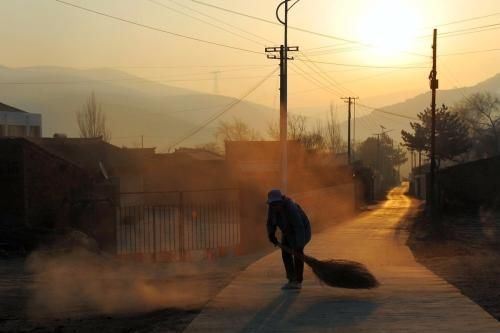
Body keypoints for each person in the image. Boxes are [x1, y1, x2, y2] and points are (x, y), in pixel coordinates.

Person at [266, 189, 311, 290]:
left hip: (302, 231)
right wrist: (271, 234)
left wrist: (299, 245)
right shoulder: (272, 208)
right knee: (285, 254)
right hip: (287, 232)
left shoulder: (291, 207)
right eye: (272, 204)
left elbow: (299, 226)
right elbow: (269, 222)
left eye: (276, 204)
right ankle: (291, 279)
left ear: (281, 201)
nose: (274, 206)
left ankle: (298, 281)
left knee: (297, 254)